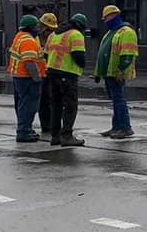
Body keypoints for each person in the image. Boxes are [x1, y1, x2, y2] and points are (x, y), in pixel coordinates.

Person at [94, 5, 137, 139]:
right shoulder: (111, 32)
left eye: (106, 17)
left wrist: (121, 70)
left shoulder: (126, 32)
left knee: (119, 99)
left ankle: (125, 127)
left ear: (113, 16)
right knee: (115, 100)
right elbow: (102, 54)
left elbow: (128, 53)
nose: (105, 20)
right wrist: (98, 73)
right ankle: (117, 127)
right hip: (109, 73)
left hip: (116, 73)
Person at [45, 13, 89, 146]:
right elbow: (78, 56)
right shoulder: (76, 35)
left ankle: (55, 136)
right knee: (70, 106)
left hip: (52, 73)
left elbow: (46, 54)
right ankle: (67, 135)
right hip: (67, 74)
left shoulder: (53, 35)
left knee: (56, 105)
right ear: (80, 25)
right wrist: (82, 65)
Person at [8, 14, 44, 143]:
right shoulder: (28, 40)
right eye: (36, 26)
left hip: (19, 76)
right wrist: (37, 77)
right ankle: (23, 131)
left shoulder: (19, 37)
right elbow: (29, 62)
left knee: (22, 105)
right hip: (27, 77)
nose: (38, 28)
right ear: (31, 27)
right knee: (28, 106)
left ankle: (25, 129)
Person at [36, 13, 58, 139]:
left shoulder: (54, 38)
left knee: (51, 101)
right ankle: (46, 125)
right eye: (49, 30)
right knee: (44, 102)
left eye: (53, 30)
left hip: (50, 73)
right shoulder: (35, 39)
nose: (50, 32)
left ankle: (51, 124)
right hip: (40, 74)